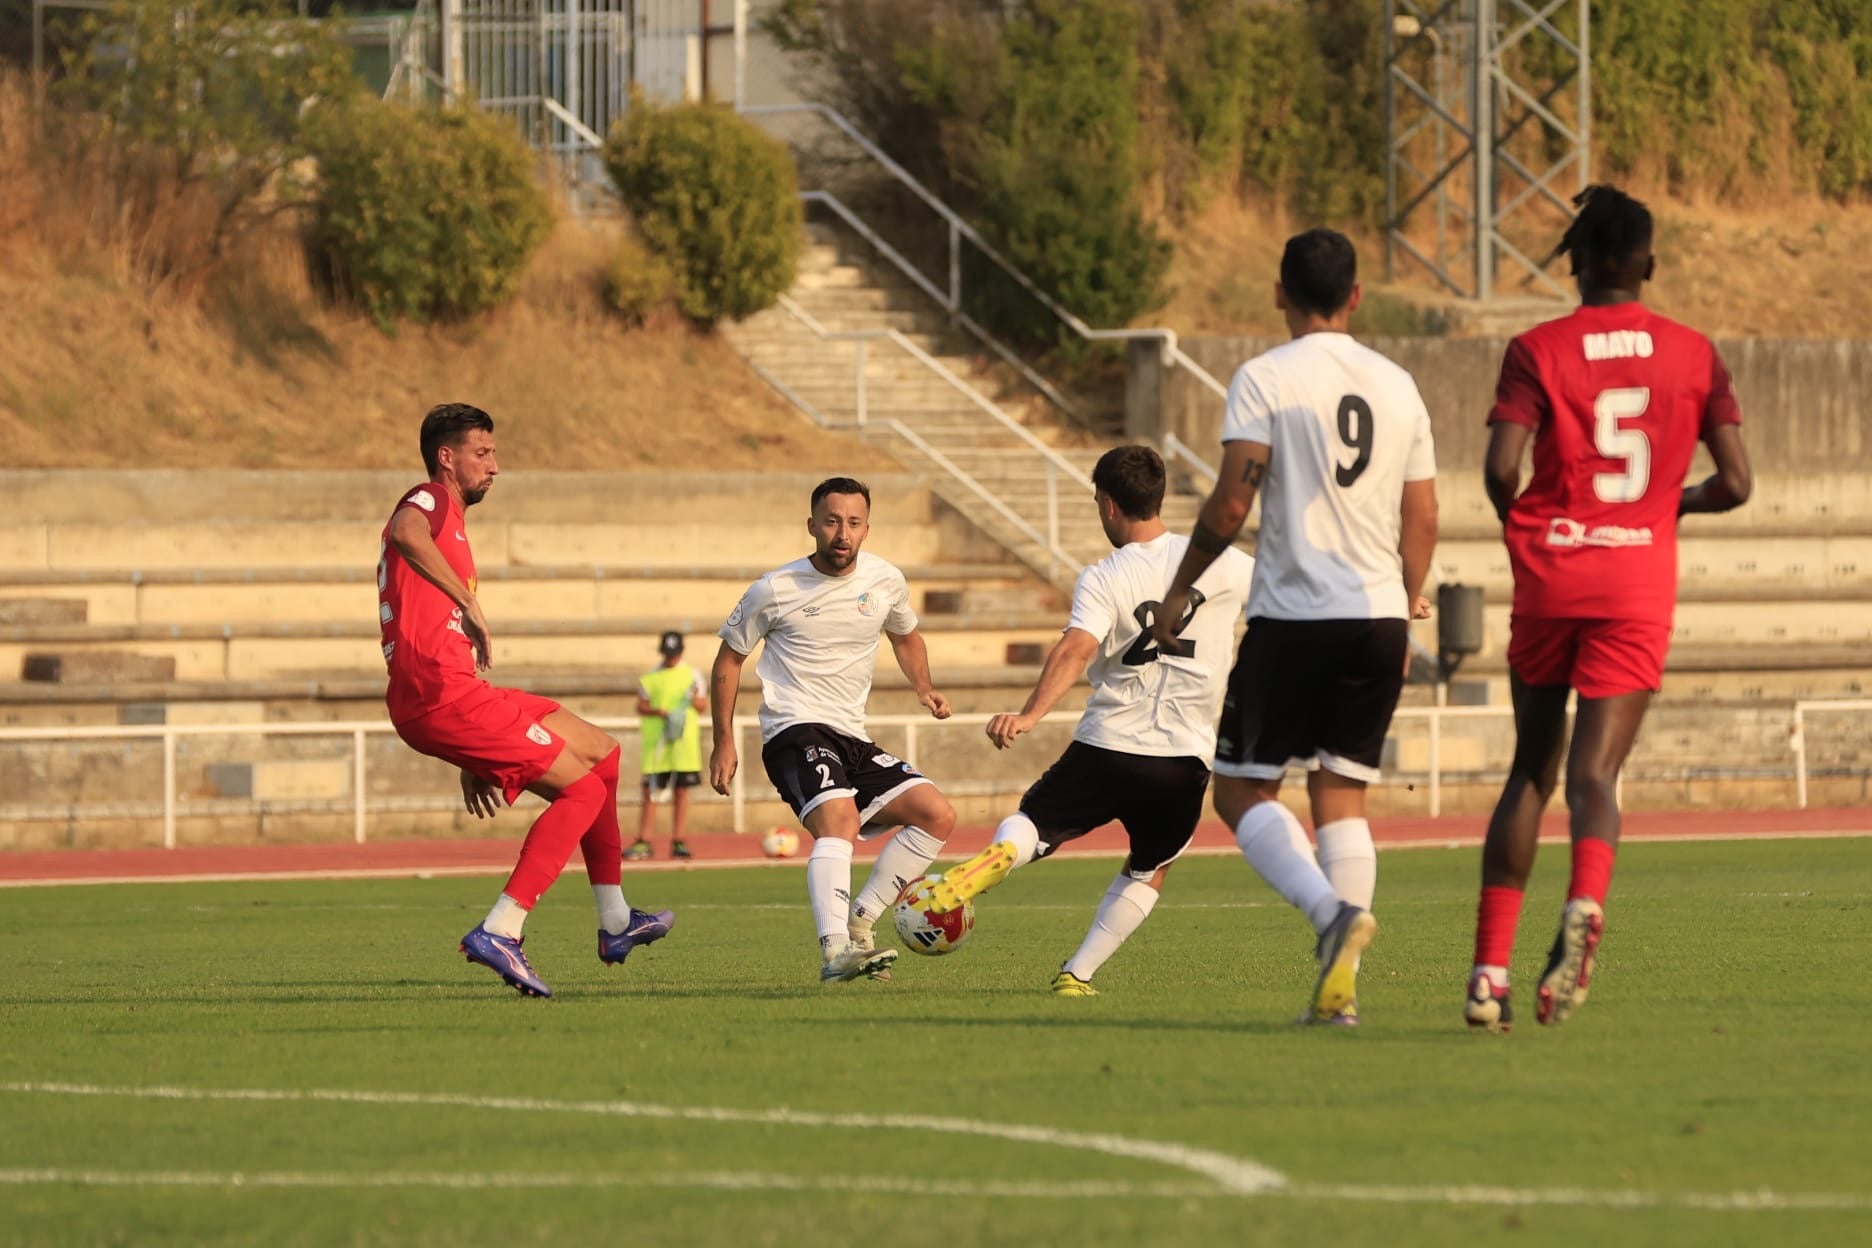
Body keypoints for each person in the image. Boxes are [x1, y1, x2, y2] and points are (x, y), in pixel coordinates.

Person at [1466, 185, 1752, 1032]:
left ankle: (1488, 977)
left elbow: (1499, 467)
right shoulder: (1695, 354)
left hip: (1552, 573)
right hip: (1635, 585)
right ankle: (1585, 900)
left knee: (1530, 771)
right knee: (1596, 778)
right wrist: (1669, 504)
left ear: (1577, 266)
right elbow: (1737, 484)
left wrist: (1523, 521)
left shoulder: (1536, 348)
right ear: (1648, 265)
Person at [1155, 228, 1439, 1026]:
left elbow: (1233, 503)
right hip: (1379, 616)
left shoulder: (1265, 377)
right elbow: (1424, 517)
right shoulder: (1398, 383)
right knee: (1340, 794)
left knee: (1242, 787)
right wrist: (1408, 602)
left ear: (1278, 292)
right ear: (1356, 297)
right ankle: (1338, 996)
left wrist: (1181, 590)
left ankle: (1330, 918)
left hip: (1295, 616)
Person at [926, 446, 1254, 996]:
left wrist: (1031, 714)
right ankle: (1077, 973)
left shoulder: (1106, 575)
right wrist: (1394, 597)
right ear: (1159, 496)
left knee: (1034, 824)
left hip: (1108, 744)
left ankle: (1006, 855)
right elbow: (1300, 584)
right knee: (1149, 868)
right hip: (1183, 756)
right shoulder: (1224, 561)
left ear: (1107, 505)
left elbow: (1076, 649)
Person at [378, 403, 673, 998]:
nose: (495, 466)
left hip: (455, 692)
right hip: (441, 695)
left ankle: (615, 923)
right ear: (447, 457)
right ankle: (501, 929)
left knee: (603, 754)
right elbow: (404, 532)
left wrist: (470, 756)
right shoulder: (429, 501)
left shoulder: (452, 521)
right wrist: (468, 600)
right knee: (581, 790)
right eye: (482, 453)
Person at [708, 476, 959, 984]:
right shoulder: (773, 588)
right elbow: (728, 661)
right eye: (831, 521)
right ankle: (835, 951)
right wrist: (724, 740)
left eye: (853, 522)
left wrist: (924, 688)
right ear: (812, 526)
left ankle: (861, 923)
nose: (842, 533)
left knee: (937, 815)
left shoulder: (886, 579)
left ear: (867, 527)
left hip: (851, 736)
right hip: (793, 730)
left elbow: (906, 636)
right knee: (839, 821)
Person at [627, 631, 707, 861]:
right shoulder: (651, 677)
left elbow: (702, 705)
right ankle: (645, 840)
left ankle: (678, 840)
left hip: (683, 746)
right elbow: (641, 706)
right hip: (657, 746)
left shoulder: (692, 675)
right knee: (650, 792)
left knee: (681, 792)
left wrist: (693, 700)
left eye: (675, 653)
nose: (672, 657)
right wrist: (657, 711)